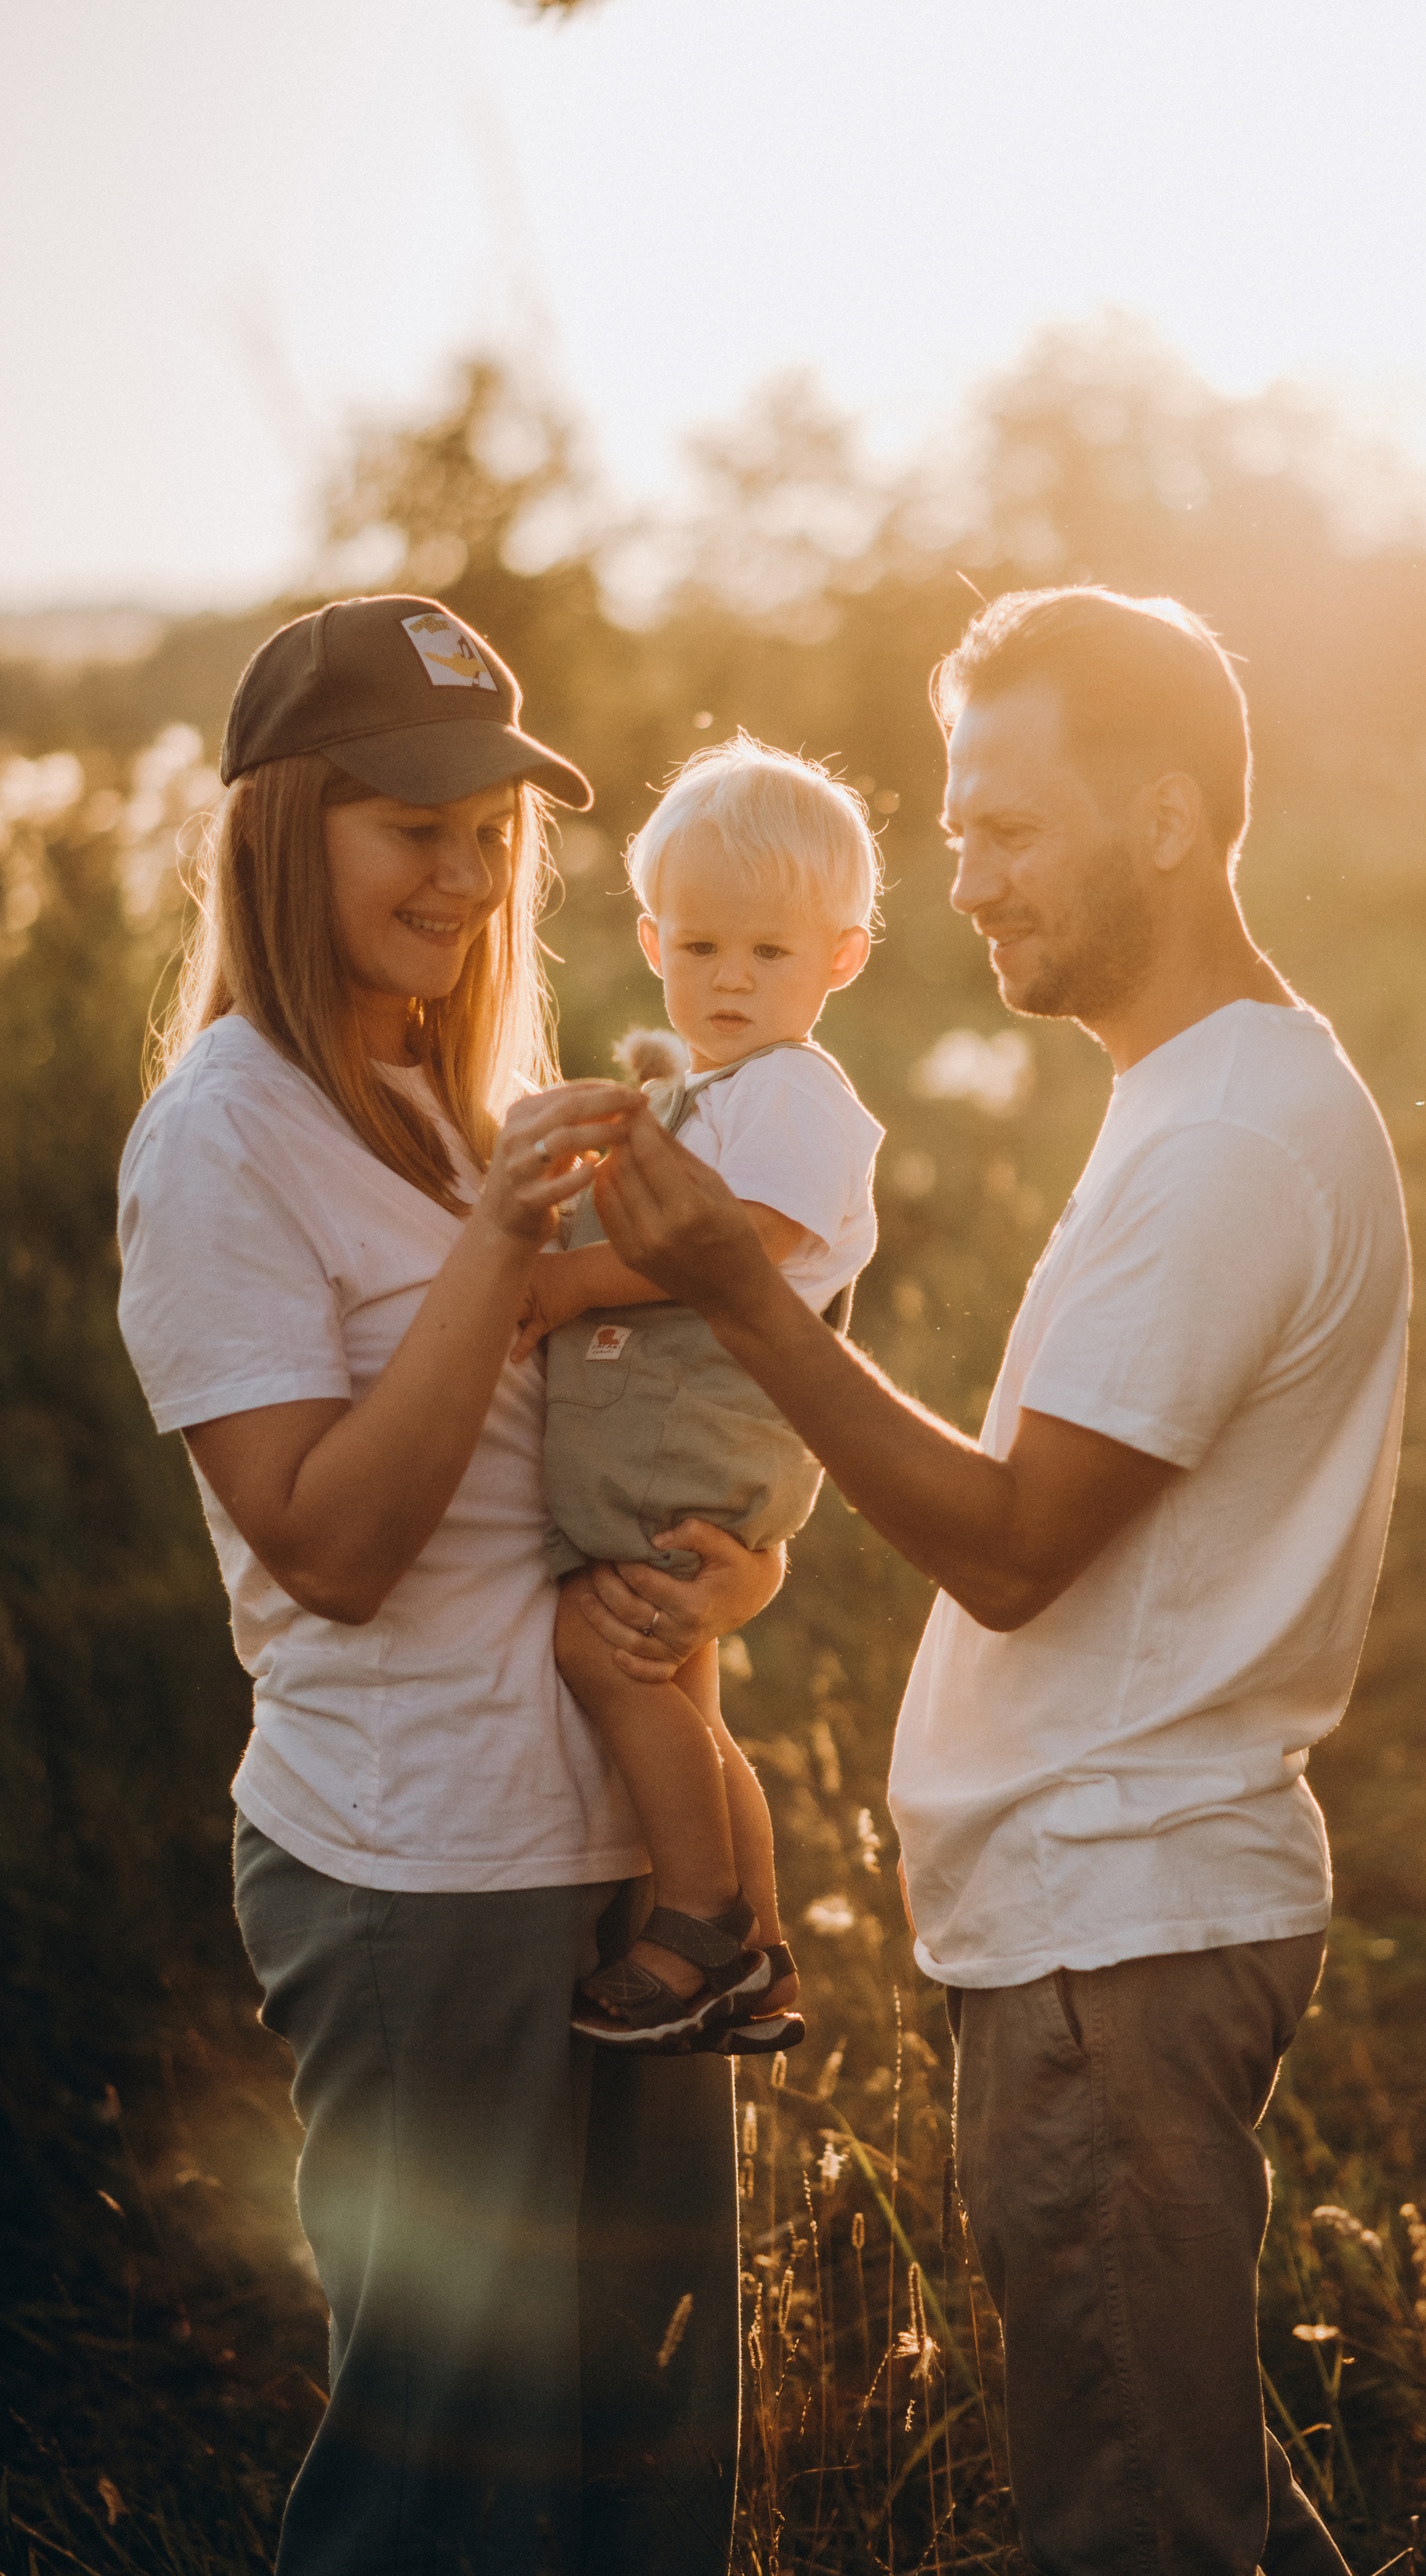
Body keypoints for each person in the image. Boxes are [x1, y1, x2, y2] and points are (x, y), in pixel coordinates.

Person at [577, 586, 1411, 2576]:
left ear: (1169, 816)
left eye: (1010, 827)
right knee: (1200, 2505)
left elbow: (1017, 1547)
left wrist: (735, 1297)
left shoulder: (1230, 1138)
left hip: (1115, 1929)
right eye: (953, 831)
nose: (967, 878)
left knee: (1137, 2524)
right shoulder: (1200, 1099)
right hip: (1091, 1918)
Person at [115, 593, 783, 2576]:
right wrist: (501, 1247)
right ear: (282, 829)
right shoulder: (223, 1140)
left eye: (493, 822)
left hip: (618, 1858)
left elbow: (577, 1453)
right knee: (446, 2468)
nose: (468, 862)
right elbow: (324, 1548)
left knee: (643, 2440)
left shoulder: (458, 1090)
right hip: (419, 1877)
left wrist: (719, 1577)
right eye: (412, 821)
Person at [513, 735, 883, 2056]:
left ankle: (699, 1913)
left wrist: (567, 1288)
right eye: (704, 946)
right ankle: (761, 1955)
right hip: (666, 1443)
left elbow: (742, 1245)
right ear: (656, 935)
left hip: (701, 1441)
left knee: (597, 1651)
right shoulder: (706, 1088)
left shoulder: (796, 1094)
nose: (730, 979)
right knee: (683, 1693)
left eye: (770, 954)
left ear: (840, 957)